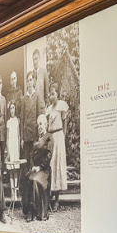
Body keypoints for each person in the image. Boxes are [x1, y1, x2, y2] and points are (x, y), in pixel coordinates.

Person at [22, 115, 54, 222]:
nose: (39, 127)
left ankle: (36, 211)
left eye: (41, 124)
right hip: (35, 169)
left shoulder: (49, 138)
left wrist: (40, 167)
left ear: (45, 124)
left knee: (34, 180)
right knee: (26, 178)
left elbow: (49, 155)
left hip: (44, 170)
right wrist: (32, 166)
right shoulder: (36, 140)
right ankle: (29, 210)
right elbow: (31, 155)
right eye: (38, 125)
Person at [46, 83, 69, 212]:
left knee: (58, 166)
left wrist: (63, 136)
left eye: (53, 94)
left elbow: (64, 122)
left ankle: (57, 200)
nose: (51, 96)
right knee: (51, 166)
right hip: (51, 138)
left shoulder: (62, 105)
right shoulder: (49, 109)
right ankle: (51, 195)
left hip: (59, 138)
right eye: (50, 94)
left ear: (57, 94)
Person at [20, 72, 44, 183]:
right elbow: (22, 118)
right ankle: (26, 188)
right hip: (26, 135)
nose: (29, 82)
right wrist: (22, 137)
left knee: (34, 160)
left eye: (31, 80)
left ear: (33, 81)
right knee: (26, 162)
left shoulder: (37, 96)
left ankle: (34, 188)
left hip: (34, 133)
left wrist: (39, 135)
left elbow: (39, 116)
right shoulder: (24, 98)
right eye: (28, 80)